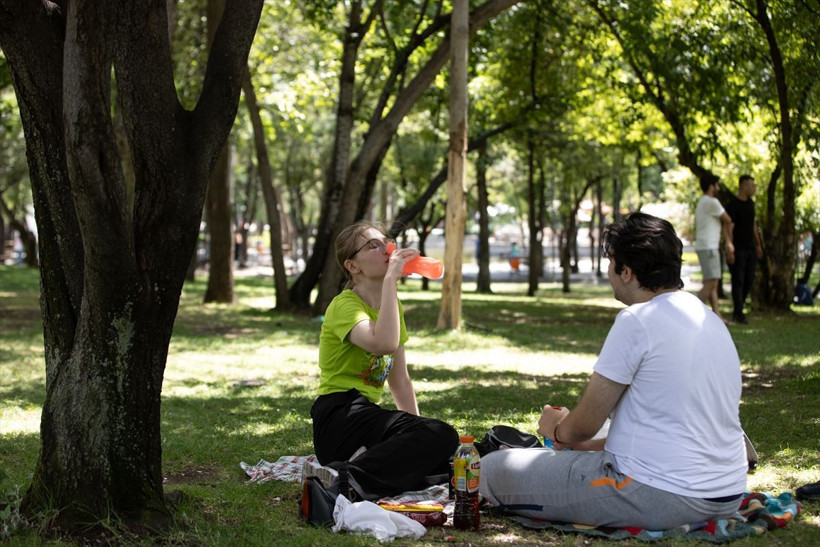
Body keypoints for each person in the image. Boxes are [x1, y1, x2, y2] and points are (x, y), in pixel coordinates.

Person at [479, 212, 747, 530]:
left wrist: (556, 430)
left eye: (611, 263)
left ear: (627, 272)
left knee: (488, 469)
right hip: (727, 492)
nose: (609, 273)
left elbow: (584, 427)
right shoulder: (708, 318)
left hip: (661, 496)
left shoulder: (638, 320)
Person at [307, 221, 459, 501]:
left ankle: (353, 469)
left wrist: (418, 431)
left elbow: (399, 380)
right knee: (442, 435)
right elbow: (383, 343)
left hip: (366, 416)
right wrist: (391, 280)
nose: (386, 248)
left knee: (444, 450)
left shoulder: (392, 306)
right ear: (353, 266)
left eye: (385, 241)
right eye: (373, 245)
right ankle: (345, 482)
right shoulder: (344, 306)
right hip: (339, 415)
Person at [695, 174, 735, 321]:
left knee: (710, 282)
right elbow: (728, 220)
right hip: (709, 246)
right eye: (717, 185)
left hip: (704, 246)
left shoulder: (703, 201)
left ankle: (716, 314)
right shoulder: (712, 202)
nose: (718, 188)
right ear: (711, 186)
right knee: (712, 282)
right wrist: (730, 242)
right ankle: (691, 313)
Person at [725, 174, 763, 324]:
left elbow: (753, 225)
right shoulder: (732, 205)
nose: (754, 188)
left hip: (750, 248)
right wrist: (730, 248)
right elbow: (728, 227)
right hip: (738, 249)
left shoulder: (751, 204)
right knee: (738, 280)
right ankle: (738, 312)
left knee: (749, 279)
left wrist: (758, 244)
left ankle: (739, 309)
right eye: (752, 185)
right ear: (743, 186)